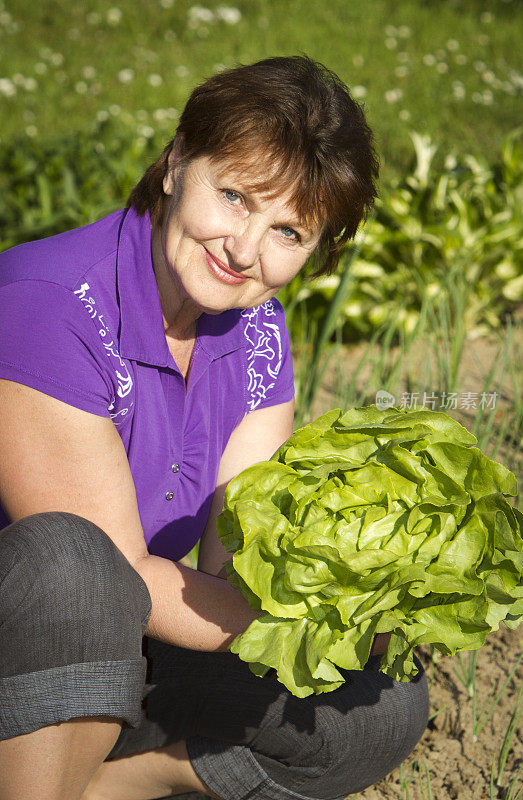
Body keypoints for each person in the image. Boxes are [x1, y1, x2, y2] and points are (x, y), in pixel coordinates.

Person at [0, 55, 428, 800]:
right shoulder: (49, 306)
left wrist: (354, 597)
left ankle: (108, 786)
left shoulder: (256, 331)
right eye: (232, 196)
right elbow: (118, 576)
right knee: (78, 567)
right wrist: (310, 635)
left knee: (377, 707)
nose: (244, 250)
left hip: (130, 650)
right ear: (174, 165)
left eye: (288, 232)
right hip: (31, 649)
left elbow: (238, 564)